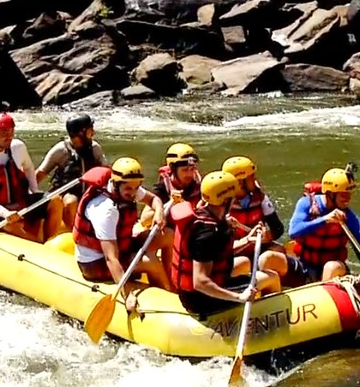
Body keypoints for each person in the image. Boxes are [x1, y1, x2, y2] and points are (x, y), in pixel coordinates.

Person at [169, 171, 281, 317]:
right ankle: (270, 316)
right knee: (271, 277)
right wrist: (239, 297)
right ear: (225, 200)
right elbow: (200, 282)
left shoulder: (204, 214)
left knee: (243, 262)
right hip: (202, 300)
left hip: (195, 292)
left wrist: (247, 239)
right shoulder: (207, 234)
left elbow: (217, 253)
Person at [73, 157, 172, 310]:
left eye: (136, 187)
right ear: (116, 184)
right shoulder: (105, 210)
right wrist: (127, 293)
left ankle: (171, 283)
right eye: (128, 189)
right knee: (150, 261)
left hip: (121, 245)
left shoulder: (126, 187)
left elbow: (154, 199)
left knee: (168, 236)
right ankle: (167, 300)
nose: (133, 193)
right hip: (95, 263)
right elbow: (110, 258)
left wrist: (159, 212)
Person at [285, 164, 360, 291]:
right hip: (305, 263)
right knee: (271, 257)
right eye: (343, 195)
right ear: (330, 194)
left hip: (333, 267)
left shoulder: (349, 218)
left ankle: (323, 299)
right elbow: (294, 231)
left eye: (349, 194)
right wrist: (324, 220)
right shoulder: (306, 204)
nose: (348, 199)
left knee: (331, 267)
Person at [0, 112, 63, 243]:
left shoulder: (18, 147)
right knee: (10, 224)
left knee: (55, 200)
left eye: (11, 131)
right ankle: (38, 245)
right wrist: (4, 212)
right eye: (4, 133)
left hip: (21, 202)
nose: (9, 136)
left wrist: (34, 191)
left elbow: (29, 168)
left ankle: (49, 240)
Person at [36, 113, 109, 231]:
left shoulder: (95, 148)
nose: (93, 133)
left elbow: (107, 171)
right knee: (71, 201)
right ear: (81, 134)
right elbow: (40, 174)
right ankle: (71, 232)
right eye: (90, 130)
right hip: (66, 193)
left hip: (89, 192)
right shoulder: (61, 150)